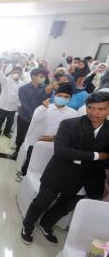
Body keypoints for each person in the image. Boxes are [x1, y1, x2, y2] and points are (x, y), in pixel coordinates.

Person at [21, 91, 109, 246]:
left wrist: (78, 157)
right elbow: (61, 151)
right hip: (60, 172)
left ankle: (46, 224)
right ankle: (28, 225)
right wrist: (96, 156)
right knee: (42, 201)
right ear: (86, 107)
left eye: (101, 109)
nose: (95, 112)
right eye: (91, 108)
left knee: (65, 207)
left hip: (88, 178)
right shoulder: (70, 124)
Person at [17, 85, 78, 180]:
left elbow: (71, 131)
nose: (62, 98)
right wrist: (44, 108)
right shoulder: (44, 107)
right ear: (55, 95)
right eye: (60, 95)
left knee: (46, 162)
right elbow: (35, 120)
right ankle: (23, 174)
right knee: (30, 159)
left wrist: (54, 138)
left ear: (70, 98)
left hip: (55, 143)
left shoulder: (73, 113)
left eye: (66, 97)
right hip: (36, 140)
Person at [16, 68, 51, 155]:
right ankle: (17, 151)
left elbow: (44, 102)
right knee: (21, 135)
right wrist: (34, 115)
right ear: (33, 76)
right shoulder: (23, 89)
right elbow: (25, 104)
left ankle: (28, 153)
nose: (43, 78)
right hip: (25, 117)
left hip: (38, 118)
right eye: (41, 76)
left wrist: (47, 93)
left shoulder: (45, 88)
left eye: (44, 77)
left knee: (33, 136)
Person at [0, 61, 23, 138]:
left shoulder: (22, 84)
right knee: (0, 119)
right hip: (3, 105)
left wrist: (20, 105)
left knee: (10, 121)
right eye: (14, 72)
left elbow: (21, 95)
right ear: (12, 73)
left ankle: (7, 132)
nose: (16, 74)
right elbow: (0, 77)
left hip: (13, 106)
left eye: (18, 72)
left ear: (20, 74)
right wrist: (0, 69)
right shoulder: (6, 80)